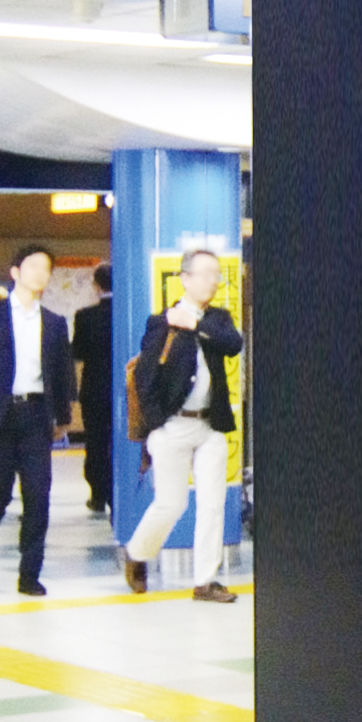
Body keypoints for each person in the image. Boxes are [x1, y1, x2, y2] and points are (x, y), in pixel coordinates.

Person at [123, 248, 244, 603]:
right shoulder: (160, 322)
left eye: (216, 274)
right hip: (173, 426)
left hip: (211, 425)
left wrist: (196, 324)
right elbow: (144, 376)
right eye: (205, 273)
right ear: (185, 278)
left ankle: (206, 580)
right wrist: (157, 421)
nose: (213, 280)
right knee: (171, 503)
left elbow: (232, 345)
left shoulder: (218, 319)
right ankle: (138, 552)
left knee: (212, 504)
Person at [0, 244, 70, 596]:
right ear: (15, 272)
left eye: (46, 268)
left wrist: (63, 417)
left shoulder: (53, 322)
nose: (40, 273)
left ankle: (29, 574)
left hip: (36, 416)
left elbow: (63, 374)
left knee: (39, 495)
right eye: (33, 266)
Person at [69, 262, 116, 516]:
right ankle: (120, 493)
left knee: (96, 442)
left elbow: (78, 352)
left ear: (96, 285)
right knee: (122, 440)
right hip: (123, 387)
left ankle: (98, 495)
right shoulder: (127, 313)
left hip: (94, 387)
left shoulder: (84, 316)